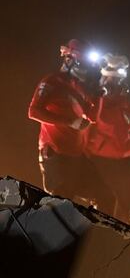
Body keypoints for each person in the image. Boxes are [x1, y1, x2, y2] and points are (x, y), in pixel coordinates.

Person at [28, 39, 100, 199]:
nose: (86, 70)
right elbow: (33, 111)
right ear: (69, 59)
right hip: (56, 154)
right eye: (83, 65)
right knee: (60, 205)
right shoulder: (52, 81)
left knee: (104, 195)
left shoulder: (79, 87)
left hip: (76, 155)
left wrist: (99, 97)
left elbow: (92, 117)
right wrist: (70, 122)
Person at [85, 54, 130, 226]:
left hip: (126, 160)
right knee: (106, 203)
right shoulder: (93, 103)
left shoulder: (128, 106)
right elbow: (85, 130)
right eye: (109, 80)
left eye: (117, 80)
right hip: (101, 161)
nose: (113, 84)